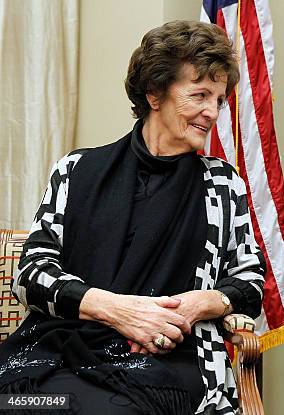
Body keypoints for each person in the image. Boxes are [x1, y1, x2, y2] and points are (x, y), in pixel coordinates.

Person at [0, 20, 265, 415]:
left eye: (220, 100)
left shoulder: (223, 185)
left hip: (165, 362)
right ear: (154, 93)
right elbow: (33, 272)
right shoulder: (76, 170)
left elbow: (250, 281)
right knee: (24, 405)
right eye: (200, 95)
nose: (212, 112)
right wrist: (119, 311)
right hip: (60, 353)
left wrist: (196, 305)